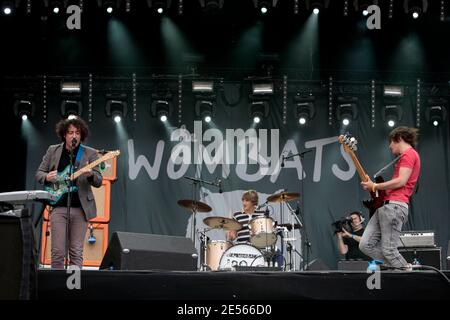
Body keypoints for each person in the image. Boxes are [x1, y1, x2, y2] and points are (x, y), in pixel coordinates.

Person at [36, 117, 103, 269]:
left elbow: (98, 180)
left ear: (82, 135)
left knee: (76, 251)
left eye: (77, 133)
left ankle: (74, 288)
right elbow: (39, 173)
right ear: (64, 135)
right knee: (58, 251)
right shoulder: (53, 150)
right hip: (58, 206)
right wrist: (47, 176)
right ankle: (57, 288)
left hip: (81, 208)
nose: (74, 136)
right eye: (70, 132)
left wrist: (90, 175)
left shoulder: (90, 153)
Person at [360, 126, 420, 270]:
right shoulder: (404, 157)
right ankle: (400, 267)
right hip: (386, 206)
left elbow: (401, 181)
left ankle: (408, 274)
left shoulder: (409, 155)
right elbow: (393, 185)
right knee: (365, 245)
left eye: (391, 142)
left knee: (389, 251)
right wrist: (372, 188)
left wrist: (374, 186)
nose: (389, 146)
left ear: (398, 138)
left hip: (394, 207)